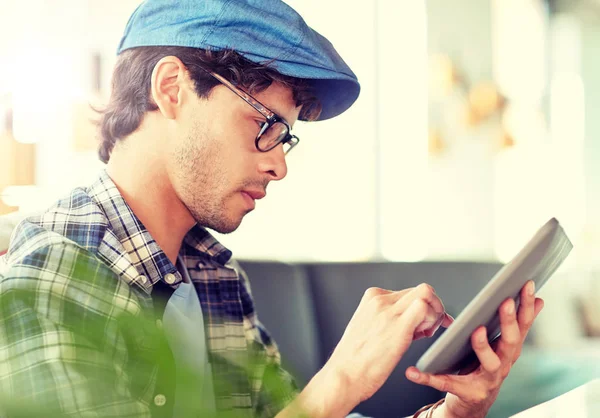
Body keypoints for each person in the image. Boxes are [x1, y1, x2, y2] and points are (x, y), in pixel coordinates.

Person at [0, 0, 545, 417]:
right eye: (265, 125)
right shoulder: (57, 274)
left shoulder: (214, 278)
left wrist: (457, 410)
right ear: (172, 89)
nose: (280, 165)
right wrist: (340, 381)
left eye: (286, 138)